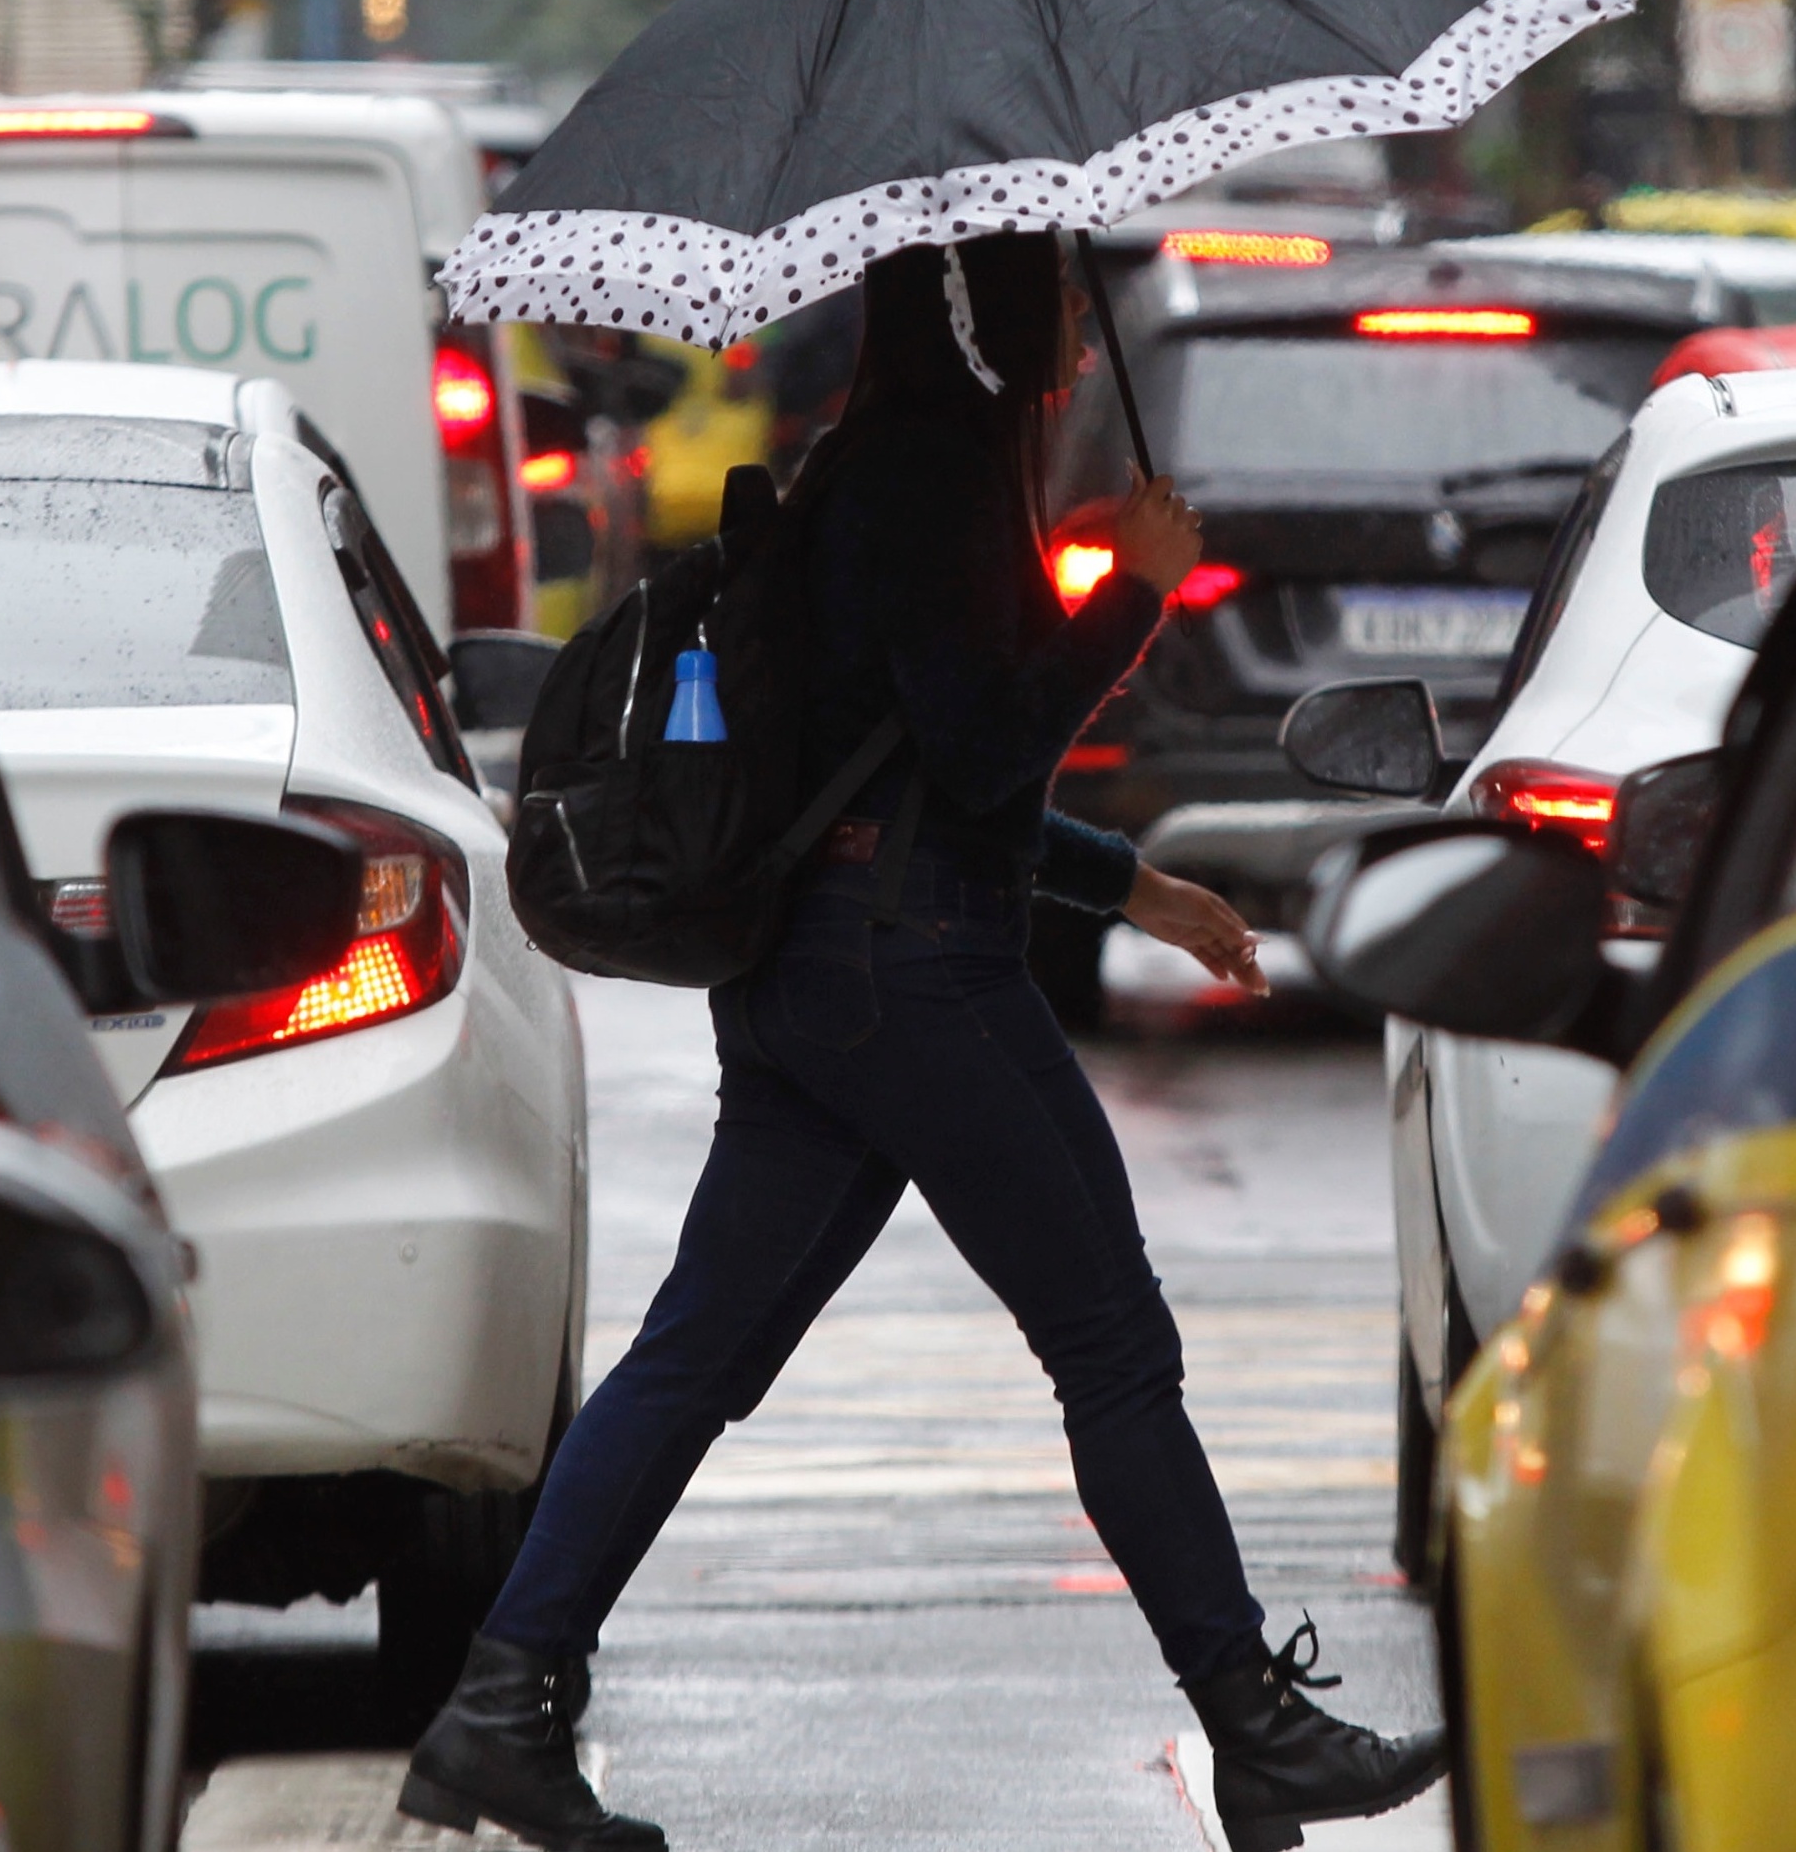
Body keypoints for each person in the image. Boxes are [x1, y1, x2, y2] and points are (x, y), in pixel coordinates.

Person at [400, 231, 1445, 1852]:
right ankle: (1255, 1722)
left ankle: (500, 1704)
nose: (1085, 355)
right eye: (1065, 314)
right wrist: (1141, 599)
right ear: (1001, 320)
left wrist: (1134, 884)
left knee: (695, 1355)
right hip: (913, 977)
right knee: (1108, 1339)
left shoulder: (863, 471)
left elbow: (897, 765)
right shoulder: (931, 484)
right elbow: (978, 753)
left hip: (822, 973)